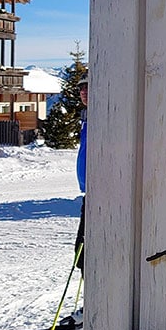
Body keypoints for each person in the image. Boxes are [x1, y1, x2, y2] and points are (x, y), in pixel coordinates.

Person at [74, 74, 88, 273]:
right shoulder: (86, 117)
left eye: (88, 88)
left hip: (100, 193)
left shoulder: (102, 116)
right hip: (89, 192)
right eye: (81, 88)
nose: (84, 92)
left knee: (85, 251)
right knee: (81, 252)